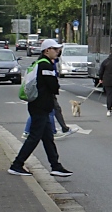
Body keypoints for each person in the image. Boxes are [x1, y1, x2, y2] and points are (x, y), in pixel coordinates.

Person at [8, 39, 73, 178]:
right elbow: (53, 87)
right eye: (55, 49)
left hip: (40, 106)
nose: (58, 52)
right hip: (41, 106)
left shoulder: (39, 63)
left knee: (48, 138)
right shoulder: (45, 65)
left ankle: (56, 166)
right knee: (34, 137)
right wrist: (55, 84)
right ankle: (17, 165)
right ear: (47, 50)